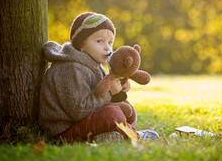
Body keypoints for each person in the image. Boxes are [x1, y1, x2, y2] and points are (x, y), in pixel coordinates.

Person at [39, 12, 159, 143]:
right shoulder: (70, 68)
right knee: (111, 114)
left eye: (110, 42)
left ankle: (115, 135)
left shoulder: (93, 64)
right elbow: (77, 110)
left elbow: (99, 96)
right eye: (99, 41)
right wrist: (109, 92)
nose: (107, 47)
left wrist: (118, 90)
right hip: (64, 131)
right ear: (81, 44)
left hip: (81, 123)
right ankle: (133, 135)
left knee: (120, 109)